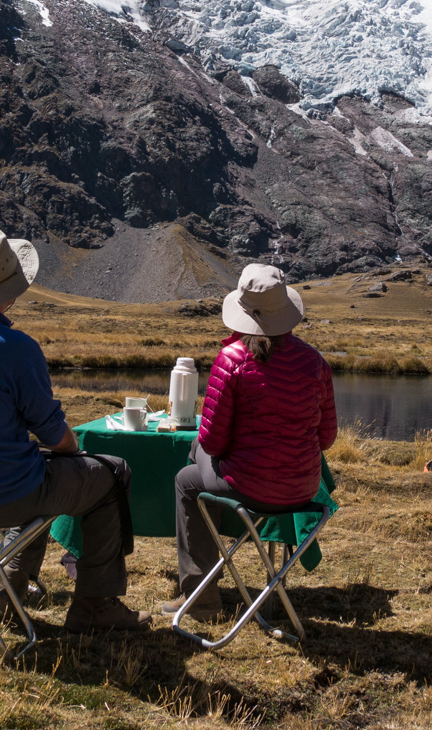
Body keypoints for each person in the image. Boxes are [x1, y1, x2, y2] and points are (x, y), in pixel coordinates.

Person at [0, 227, 149, 632]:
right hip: (1, 495)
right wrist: (72, 449)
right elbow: (55, 436)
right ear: (10, 292)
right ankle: (95, 605)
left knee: (33, 474)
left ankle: (8, 594)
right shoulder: (15, 348)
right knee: (111, 474)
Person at [164, 264, 337, 620]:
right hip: (302, 489)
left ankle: (201, 599)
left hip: (248, 487)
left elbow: (212, 443)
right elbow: (328, 439)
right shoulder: (315, 362)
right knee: (200, 462)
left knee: (188, 477)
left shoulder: (232, 360)